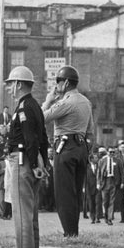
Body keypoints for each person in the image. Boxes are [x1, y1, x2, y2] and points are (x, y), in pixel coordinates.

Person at [1, 66, 49, 248]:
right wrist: (43, 162)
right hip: (29, 160)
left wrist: (36, 163)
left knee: (21, 209)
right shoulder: (34, 106)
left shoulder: (23, 108)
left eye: (11, 84)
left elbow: (30, 138)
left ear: (19, 84)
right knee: (29, 210)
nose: (9, 89)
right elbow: (43, 139)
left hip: (22, 161)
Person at [41, 65, 94, 237]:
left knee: (64, 194)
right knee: (76, 192)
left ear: (66, 83)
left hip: (64, 147)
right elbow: (91, 131)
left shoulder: (66, 102)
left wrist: (49, 100)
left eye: (59, 81)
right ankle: (74, 231)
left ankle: (69, 233)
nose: (57, 85)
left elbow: (42, 118)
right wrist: (86, 150)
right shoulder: (86, 102)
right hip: (81, 148)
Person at [97, 147, 124, 226]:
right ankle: (105, 217)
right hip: (104, 182)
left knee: (112, 201)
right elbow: (98, 173)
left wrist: (122, 182)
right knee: (105, 201)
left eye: (113, 152)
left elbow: (122, 172)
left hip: (114, 181)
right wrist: (98, 183)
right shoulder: (102, 161)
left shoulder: (118, 161)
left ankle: (109, 218)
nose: (112, 154)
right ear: (107, 152)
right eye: (110, 152)